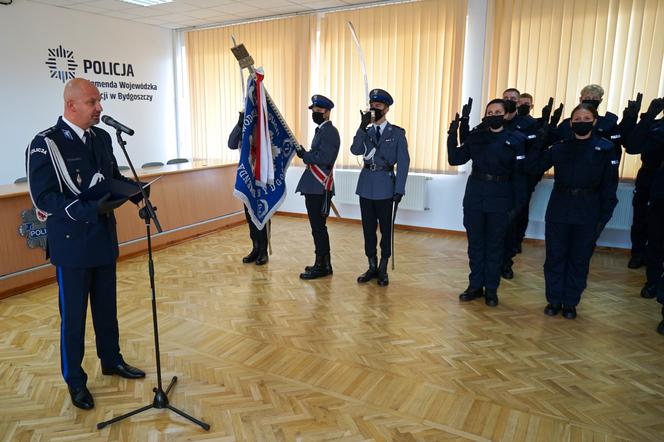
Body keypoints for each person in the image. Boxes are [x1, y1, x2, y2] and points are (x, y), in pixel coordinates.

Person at [26, 78, 145, 410]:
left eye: (99, 101)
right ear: (71, 105)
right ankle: (75, 381)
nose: (99, 108)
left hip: (104, 239)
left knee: (107, 310)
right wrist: (89, 209)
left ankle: (112, 360)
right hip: (73, 244)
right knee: (74, 317)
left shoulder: (103, 138)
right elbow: (44, 197)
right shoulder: (45, 144)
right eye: (93, 102)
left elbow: (110, 179)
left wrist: (137, 191)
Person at [528, 103, 619, 319]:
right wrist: (539, 143)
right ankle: (554, 300)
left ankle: (570, 302)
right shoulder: (560, 147)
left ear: (594, 121)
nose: (581, 122)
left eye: (586, 118)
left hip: (588, 209)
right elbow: (533, 168)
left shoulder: (605, 148)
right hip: (560, 207)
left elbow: (609, 187)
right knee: (555, 257)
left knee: (579, 259)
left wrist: (603, 217)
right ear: (571, 122)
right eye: (577, 119)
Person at [447, 99, 527, 307]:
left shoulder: (516, 139)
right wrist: (451, 135)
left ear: (506, 114)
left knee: (494, 246)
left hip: (501, 197)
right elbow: (455, 159)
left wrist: (516, 205)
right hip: (476, 195)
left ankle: (491, 289)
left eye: (497, 111)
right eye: (489, 112)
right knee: (476, 245)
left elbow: (520, 177)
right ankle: (475, 286)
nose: (493, 115)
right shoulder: (477, 137)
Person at [350, 89, 410, 286]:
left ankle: (383, 267)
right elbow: (355, 150)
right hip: (366, 185)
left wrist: (399, 189)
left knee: (385, 229)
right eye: (372, 104)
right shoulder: (365, 132)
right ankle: (371, 265)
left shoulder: (397, 133)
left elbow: (403, 162)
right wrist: (361, 126)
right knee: (368, 229)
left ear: (386, 108)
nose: (374, 108)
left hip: (386, 186)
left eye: (378, 105)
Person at [625, 98, 664, 327]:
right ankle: (652, 281)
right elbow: (633, 145)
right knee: (653, 234)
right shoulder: (657, 126)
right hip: (655, 184)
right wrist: (647, 117)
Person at [296, 95, 340, 279]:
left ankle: (321, 265)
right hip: (314, 185)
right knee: (317, 227)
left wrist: (305, 155)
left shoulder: (329, 131)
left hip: (319, 186)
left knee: (318, 227)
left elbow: (325, 158)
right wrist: (306, 154)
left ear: (327, 112)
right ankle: (324, 263)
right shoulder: (321, 130)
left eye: (319, 110)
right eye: (313, 110)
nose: (315, 113)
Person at [228, 111, 269, 265]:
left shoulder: (264, 127)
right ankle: (255, 248)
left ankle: (263, 251)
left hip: (262, 178)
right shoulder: (243, 128)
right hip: (247, 179)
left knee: (261, 216)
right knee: (250, 216)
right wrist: (239, 124)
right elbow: (231, 144)